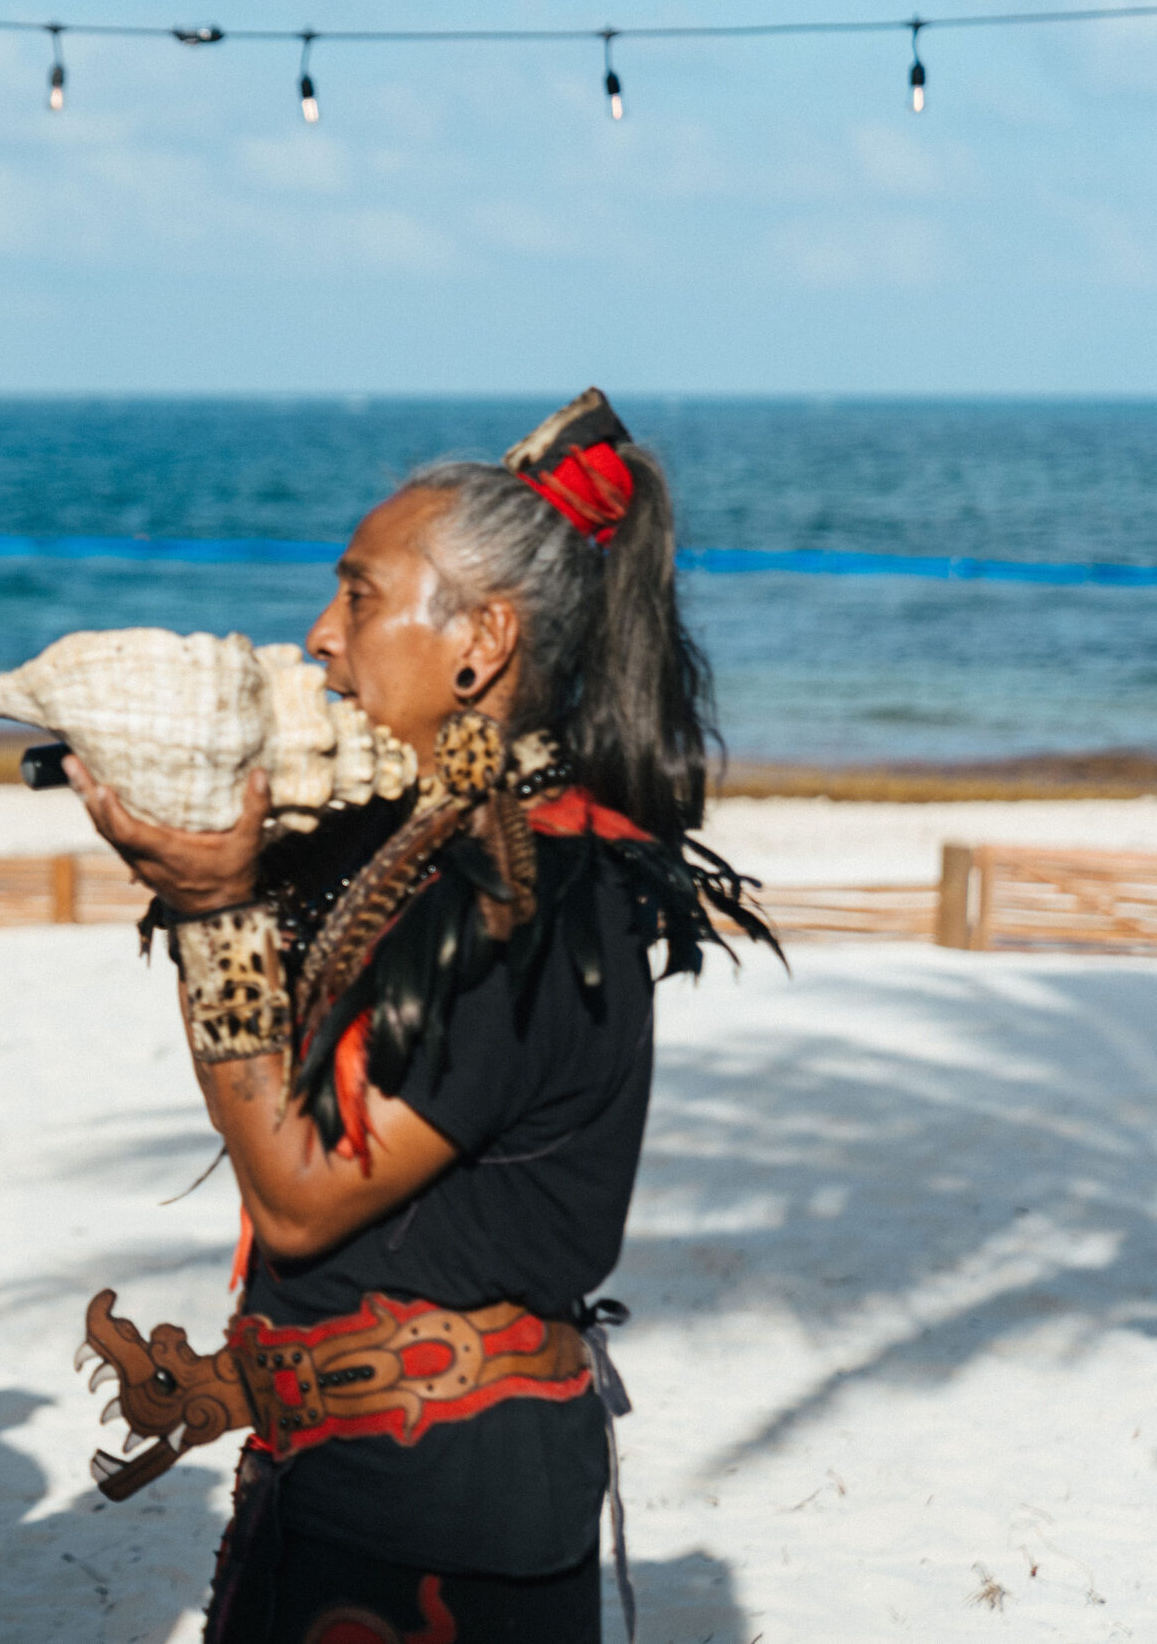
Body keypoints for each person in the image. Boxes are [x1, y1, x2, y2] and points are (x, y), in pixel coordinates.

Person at [70, 390, 770, 1644]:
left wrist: (210, 911)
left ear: (479, 643)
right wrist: (254, 1380)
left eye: (357, 595)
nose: (319, 634)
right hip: (370, 1483)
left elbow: (300, 1189)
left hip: (438, 1525)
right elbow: (412, 1236)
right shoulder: (429, 858)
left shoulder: (535, 899)